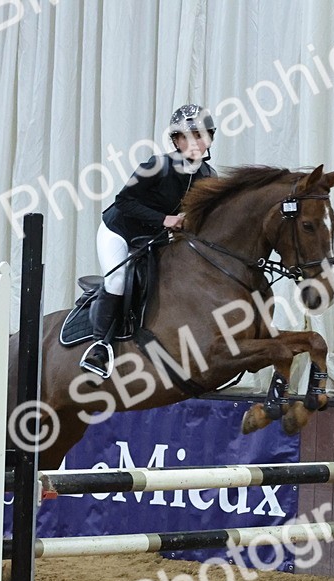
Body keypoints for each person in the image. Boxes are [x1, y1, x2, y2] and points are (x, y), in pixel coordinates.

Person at [79, 104, 218, 378]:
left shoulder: (209, 176)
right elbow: (123, 201)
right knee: (117, 280)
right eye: (187, 136)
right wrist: (164, 219)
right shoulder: (157, 166)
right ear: (176, 140)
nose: (195, 142)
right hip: (119, 231)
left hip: (154, 238)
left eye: (201, 135)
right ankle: (99, 346)